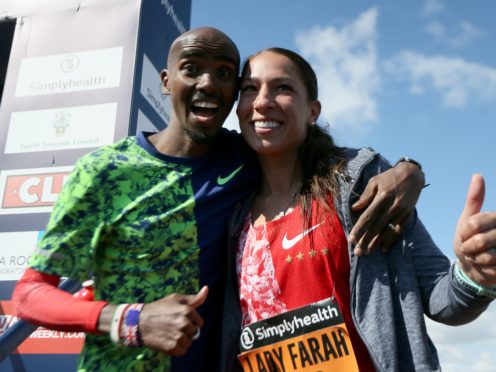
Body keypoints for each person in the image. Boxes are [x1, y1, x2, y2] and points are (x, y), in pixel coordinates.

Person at [12, 29, 424, 371]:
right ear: (166, 80)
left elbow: (317, 152)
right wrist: (129, 319)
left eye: (224, 73)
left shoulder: (245, 156)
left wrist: (407, 171)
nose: (208, 83)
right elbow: (29, 295)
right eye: (192, 69)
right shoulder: (104, 170)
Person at [220, 47, 496, 372]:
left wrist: (478, 275)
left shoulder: (358, 184)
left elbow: (442, 300)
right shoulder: (231, 209)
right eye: (250, 89)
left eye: (283, 88)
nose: (263, 101)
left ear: (312, 111)